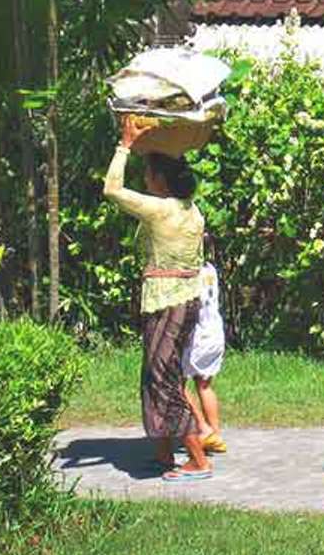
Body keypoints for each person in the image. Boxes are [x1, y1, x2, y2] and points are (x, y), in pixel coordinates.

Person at [104, 117, 212, 482]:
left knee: (162, 378)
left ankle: (198, 460)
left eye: (150, 175)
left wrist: (125, 145)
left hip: (169, 303)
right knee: (158, 375)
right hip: (180, 301)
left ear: (161, 181)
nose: (146, 181)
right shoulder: (191, 209)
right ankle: (165, 455)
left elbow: (112, 189)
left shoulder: (161, 209)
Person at [182, 258, 226, 455]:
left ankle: (203, 428)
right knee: (204, 385)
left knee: (176, 383)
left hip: (198, 333)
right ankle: (215, 434)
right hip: (215, 329)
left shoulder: (190, 272)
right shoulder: (210, 269)